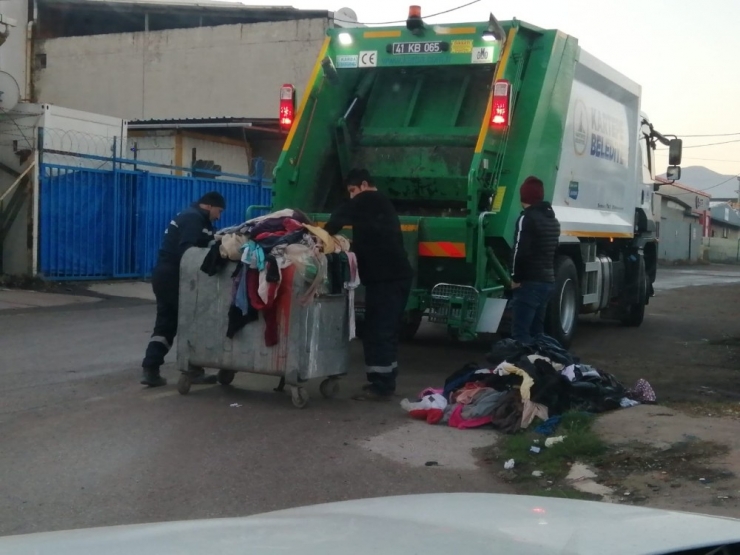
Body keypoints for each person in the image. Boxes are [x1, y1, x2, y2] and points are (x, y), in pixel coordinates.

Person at [324, 169, 413, 401]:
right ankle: (386, 379)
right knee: (386, 330)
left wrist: (321, 236)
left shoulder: (369, 198)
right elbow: (372, 236)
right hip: (394, 278)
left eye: (353, 190)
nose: (353, 196)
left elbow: (340, 217)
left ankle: (380, 386)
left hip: (387, 280)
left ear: (364, 185)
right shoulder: (380, 204)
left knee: (378, 331)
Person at [140, 192, 226, 387]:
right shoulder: (193, 218)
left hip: (164, 276)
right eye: (219, 211)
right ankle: (193, 370)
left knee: (166, 324)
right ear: (209, 206)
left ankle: (150, 369)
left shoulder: (193, 218)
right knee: (194, 320)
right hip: (174, 277)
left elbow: (200, 241)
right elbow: (189, 252)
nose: (218, 216)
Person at [509, 176, 560, 345]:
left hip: (529, 283)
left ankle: (525, 367)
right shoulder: (552, 220)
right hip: (547, 282)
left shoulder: (527, 218)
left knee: (521, 334)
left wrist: (515, 278)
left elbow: (519, 251)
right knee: (537, 333)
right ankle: (540, 364)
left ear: (523, 196)